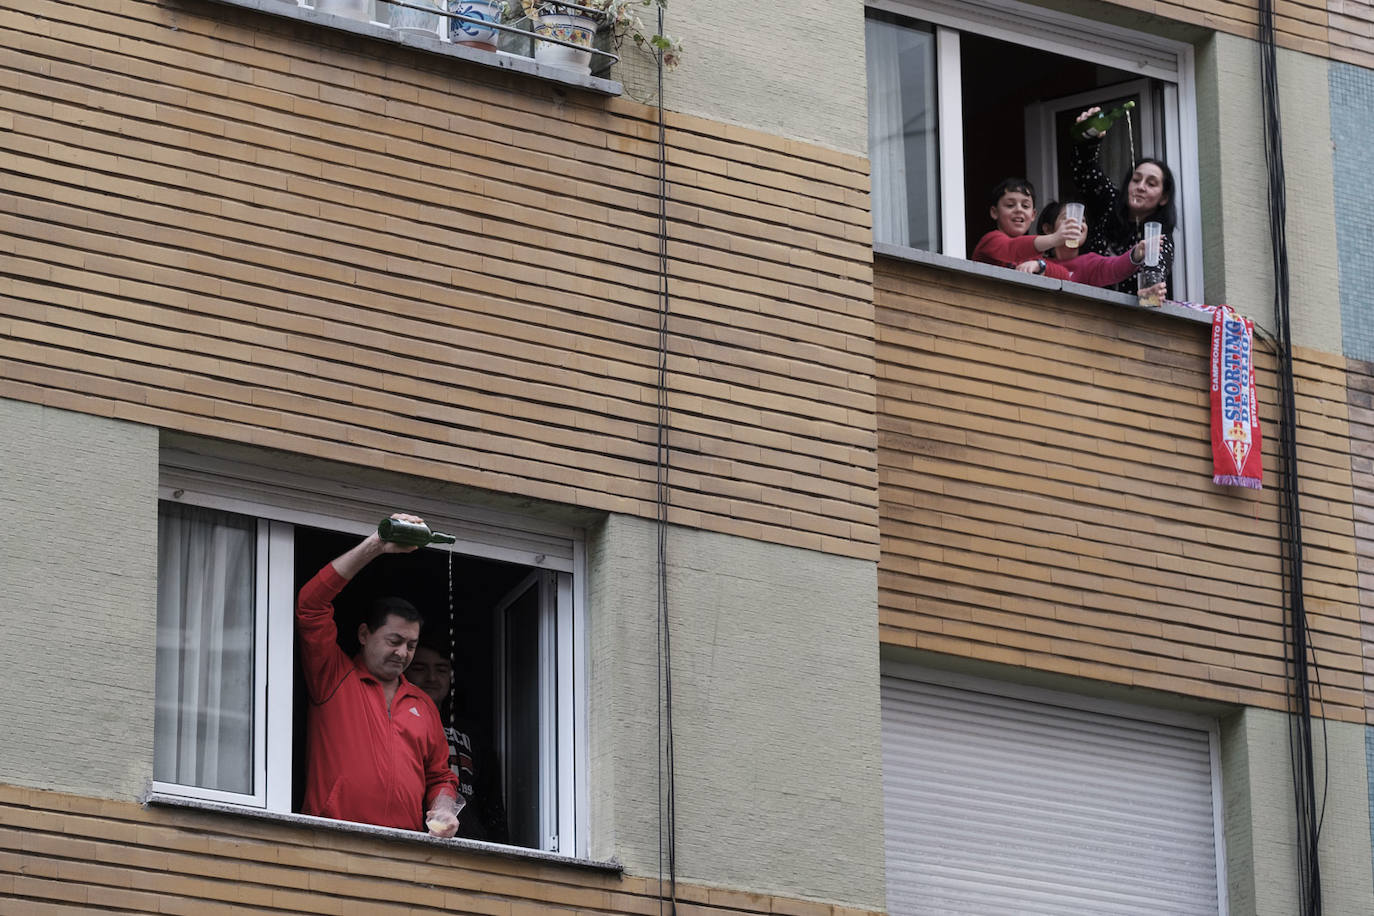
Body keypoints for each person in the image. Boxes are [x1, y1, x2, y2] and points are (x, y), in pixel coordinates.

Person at [296, 512, 460, 836]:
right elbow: (311, 604)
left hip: (403, 850)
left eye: (411, 645)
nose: (403, 653)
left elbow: (441, 777)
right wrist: (376, 545)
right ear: (363, 635)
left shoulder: (423, 704)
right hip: (330, 837)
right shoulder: (333, 676)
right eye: (394, 641)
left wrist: (443, 806)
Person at [407, 642, 511, 844]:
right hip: (415, 838)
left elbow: (492, 804)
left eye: (441, 669)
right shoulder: (397, 723)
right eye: (420, 668)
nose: (432, 677)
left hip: (471, 843)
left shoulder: (472, 733)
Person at [1070, 107, 1178, 297]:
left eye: (1151, 183)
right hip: (1083, 302)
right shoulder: (1111, 202)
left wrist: (1151, 290)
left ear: (1164, 198)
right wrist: (1090, 137)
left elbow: (1154, 275)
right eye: (1136, 180)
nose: (1141, 187)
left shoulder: (1159, 237)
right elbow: (1085, 172)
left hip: (1123, 317)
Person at [1030, 200, 1164, 302]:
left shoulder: (1089, 263)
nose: (1076, 224)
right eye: (1068, 218)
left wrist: (1136, 254)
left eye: (1082, 220)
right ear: (1048, 229)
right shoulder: (1035, 263)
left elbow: (1115, 267)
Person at [971, 177, 1080, 279]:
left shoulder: (1030, 257)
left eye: (1025, 206)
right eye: (1010, 205)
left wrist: (1039, 265)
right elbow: (1012, 247)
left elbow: (1065, 275)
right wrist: (1054, 238)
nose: (1019, 209)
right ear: (994, 212)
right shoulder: (990, 240)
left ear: (1033, 215)